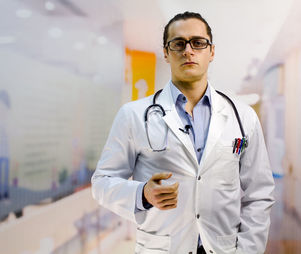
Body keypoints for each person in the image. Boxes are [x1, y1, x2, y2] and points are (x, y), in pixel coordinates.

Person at [91, 11, 275, 254]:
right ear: (166, 53)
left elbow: (259, 194)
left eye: (198, 43)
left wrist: (248, 250)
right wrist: (142, 194)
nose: (188, 50)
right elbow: (101, 183)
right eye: (178, 43)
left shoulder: (243, 117)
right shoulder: (134, 115)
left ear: (211, 52)